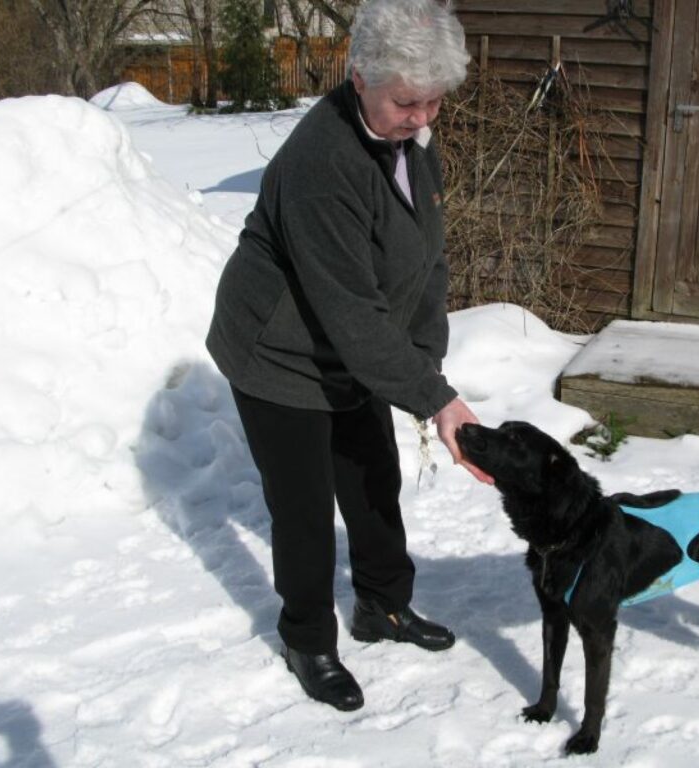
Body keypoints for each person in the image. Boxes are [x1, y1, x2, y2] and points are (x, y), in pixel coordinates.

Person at [205, 0, 489, 713]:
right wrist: (435, 399)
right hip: (279, 352)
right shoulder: (320, 162)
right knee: (303, 508)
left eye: (433, 103)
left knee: (370, 479)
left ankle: (384, 607)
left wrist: (426, 367)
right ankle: (308, 640)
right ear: (357, 74)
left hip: (353, 346)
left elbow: (425, 262)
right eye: (406, 102)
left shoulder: (411, 142)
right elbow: (352, 311)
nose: (422, 118)